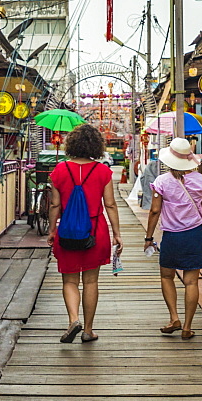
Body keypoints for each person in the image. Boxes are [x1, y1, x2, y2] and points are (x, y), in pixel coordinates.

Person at [48, 124, 123, 343]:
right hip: (95, 230)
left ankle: (73, 319)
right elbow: (110, 205)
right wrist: (117, 233)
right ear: (96, 145)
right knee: (91, 282)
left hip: (68, 231)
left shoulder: (59, 171)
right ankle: (88, 330)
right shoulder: (103, 171)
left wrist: (52, 230)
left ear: (71, 144)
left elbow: (54, 205)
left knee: (69, 280)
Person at [143, 137, 202, 340]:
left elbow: (154, 211)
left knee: (167, 276)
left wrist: (149, 237)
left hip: (171, 236)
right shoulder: (201, 181)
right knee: (191, 282)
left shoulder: (161, 182)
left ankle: (174, 317)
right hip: (194, 234)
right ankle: (187, 326)